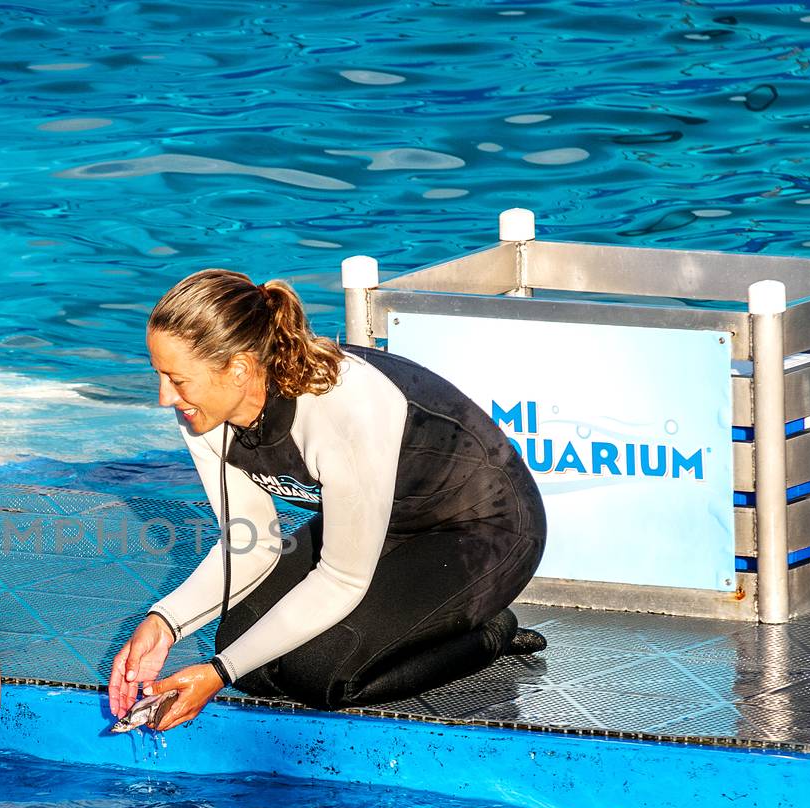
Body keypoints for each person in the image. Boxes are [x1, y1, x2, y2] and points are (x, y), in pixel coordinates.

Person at [108, 268, 547, 731]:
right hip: (380, 524)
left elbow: (341, 580)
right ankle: (426, 620)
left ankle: (490, 631)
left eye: (177, 380)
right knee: (247, 654)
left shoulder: (340, 408)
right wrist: (165, 623)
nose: (164, 397)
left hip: (482, 530)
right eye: (160, 375)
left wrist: (217, 674)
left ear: (237, 368)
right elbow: (253, 543)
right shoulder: (205, 409)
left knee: (323, 673)